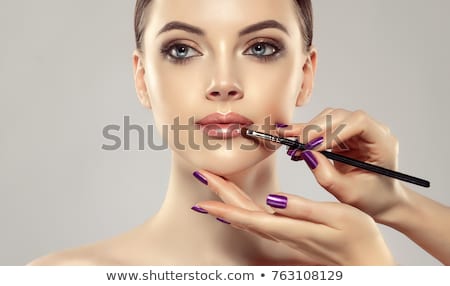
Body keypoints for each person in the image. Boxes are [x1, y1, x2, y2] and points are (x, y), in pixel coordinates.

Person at [26, 0, 448, 266]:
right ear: (142, 79)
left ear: (304, 76)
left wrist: (395, 213)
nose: (223, 82)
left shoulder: (359, 262)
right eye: (182, 50)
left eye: (261, 47)